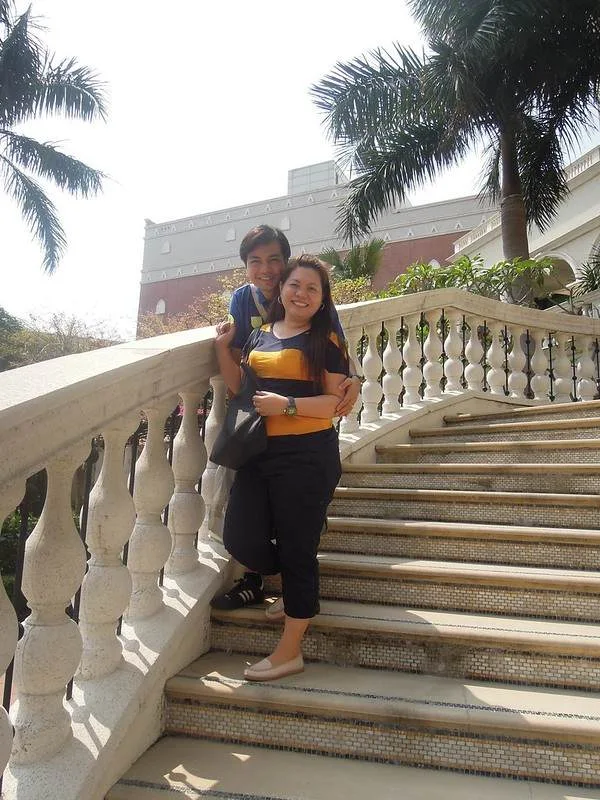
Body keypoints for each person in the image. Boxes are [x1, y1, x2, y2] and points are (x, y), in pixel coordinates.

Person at [210, 225, 361, 611]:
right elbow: (244, 362)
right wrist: (224, 349)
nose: (266, 269)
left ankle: (288, 581)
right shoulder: (243, 300)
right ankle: (284, 576)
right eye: (255, 261)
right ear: (245, 267)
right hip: (257, 432)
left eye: (275, 259)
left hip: (303, 436)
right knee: (247, 522)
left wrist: (355, 378)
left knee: (294, 518)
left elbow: (335, 342)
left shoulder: (306, 293)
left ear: (288, 262)